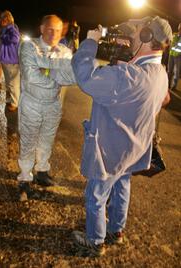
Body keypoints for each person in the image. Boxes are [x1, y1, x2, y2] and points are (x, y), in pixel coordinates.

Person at [70, 16, 172, 256]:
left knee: (96, 194)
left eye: (136, 32)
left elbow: (85, 77)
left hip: (112, 149)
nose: (132, 36)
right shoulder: (161, 74)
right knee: (122, 185)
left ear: (146, 36)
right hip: (135, 148)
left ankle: (95, 241)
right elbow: (162, 100)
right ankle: (116, 230)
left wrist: (90, 43)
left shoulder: (128, 76)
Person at [17, 14, 75, 199]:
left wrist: (44, 67)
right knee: (28, 141)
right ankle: (25, 178)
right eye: (50, 29)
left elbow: (71, 77)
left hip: (53, 104)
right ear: (42, 28)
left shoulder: (65, 51)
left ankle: (42, 171)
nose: (54, 34)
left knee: (46, 140)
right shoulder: (29, 46)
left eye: (58, 30)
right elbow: (30, 76)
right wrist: (56, 76)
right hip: (31, 103)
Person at [0, 10, 20, 111]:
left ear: (7, 19)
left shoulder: (12, 28)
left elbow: (15, 38)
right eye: (1, 19)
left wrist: (3, 37)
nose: (1, 21)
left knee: (13, 83)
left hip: (11, 61)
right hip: (6, 60)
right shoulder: (6, 28)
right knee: (9, 82)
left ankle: (15, 103)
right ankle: (12, 99)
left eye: (3, 19)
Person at [167, 22, 181, 90]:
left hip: (178, 56)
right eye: (180, 26)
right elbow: (170, 43)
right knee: (169, 71)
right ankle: (168, 84)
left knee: (176, 72)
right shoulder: (174, 34)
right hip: (171, 55)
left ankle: (174, 87)